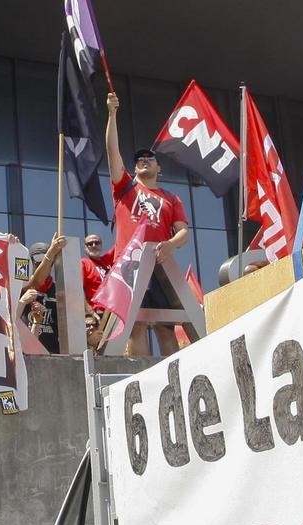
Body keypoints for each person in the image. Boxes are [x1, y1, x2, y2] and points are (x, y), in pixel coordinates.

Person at [106, 92, 190, 356]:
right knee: (136, 325)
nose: (143, 160)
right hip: (130, 264)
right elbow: (112, 152)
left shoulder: (171, 197)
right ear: (134, 168)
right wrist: (112, 114)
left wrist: (171, 244)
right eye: (139, 159)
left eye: (149, 158)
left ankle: (175, 370)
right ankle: (142, 373)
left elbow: (183, 232)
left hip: (160, 265)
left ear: (159, 168)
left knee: (166, 327)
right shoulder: (124, 187)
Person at [20, 233, 68, 353]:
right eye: (37, 261)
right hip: (27, 353)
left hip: (54, 354)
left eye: (45, 262)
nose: (40, 265)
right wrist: (51, 252)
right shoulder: (22, 287)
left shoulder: (59, 291)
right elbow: (36, 282)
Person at [80, 234, 113, 311]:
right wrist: (90, 311)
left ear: (101, 245)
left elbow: (121, 245)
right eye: (90, 244)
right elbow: (77, 290)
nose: (94, 245)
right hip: (98, 312)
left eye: (96, 242)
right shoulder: (84, 263)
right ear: (85, 248)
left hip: (114, 310)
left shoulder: (108, 260)